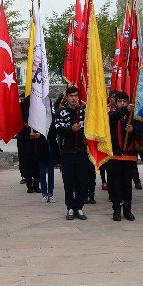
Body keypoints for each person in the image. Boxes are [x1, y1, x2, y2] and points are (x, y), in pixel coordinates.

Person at [55, 86, 88, 221]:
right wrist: (70, 129)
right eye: (71, 96)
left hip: (81, 152)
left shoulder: (83, 112)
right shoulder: (61, 112)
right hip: (67, 152)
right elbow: (57, 129)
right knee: (68, 181)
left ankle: (79, 207)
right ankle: (70, 207)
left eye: (76, 95)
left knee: (81, 181)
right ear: (67, 97)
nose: (74, 98)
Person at [107, 92, 139, 221]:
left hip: (129, 156)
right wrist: (125, 109)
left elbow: (142, 131)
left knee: (127, 185)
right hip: (115, 156)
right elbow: (112, 119)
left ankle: (127, 210)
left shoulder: (133, 116)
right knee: (115, 186)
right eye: (119, 101)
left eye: (124, 102)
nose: (122, 104)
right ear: (115, 102)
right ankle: (116, 210)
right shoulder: (112, 114)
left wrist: (133, 129)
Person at [32, 100, 59, 203]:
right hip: (41, 149)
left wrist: (42, 134)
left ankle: (50, 193)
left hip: (51, 148)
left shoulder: (53, 117)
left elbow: (54, 132)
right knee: (42, 172)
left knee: (51, 172)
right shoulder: (38, 117)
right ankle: (44, 193)